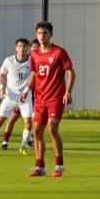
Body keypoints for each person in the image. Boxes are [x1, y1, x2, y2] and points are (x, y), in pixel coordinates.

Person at [27, 21, 75, 178]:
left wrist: (68, 92)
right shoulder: (34, 54)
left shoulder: (59, 52)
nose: (42, 36)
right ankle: (39, 166)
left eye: (45, 33)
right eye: (39, 33)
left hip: (55, 98)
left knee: (52, 128)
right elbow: (34, 74)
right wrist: (26, 91)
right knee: (36, 132)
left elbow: (71, 72)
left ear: (51, 34)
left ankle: (59, 165)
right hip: (40, 99)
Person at [0, 38, 36, 155]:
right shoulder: (8, 61)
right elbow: (1, 74)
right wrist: (1, 88)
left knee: (28, 122)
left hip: (25, 98)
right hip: (10, 97)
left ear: (28, 49)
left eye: (25, 46)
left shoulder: (32, 61)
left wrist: (26, 91)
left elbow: (34, 77)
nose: (22, 49)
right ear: (16, 48)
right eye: (20, 46)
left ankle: (22, 147)